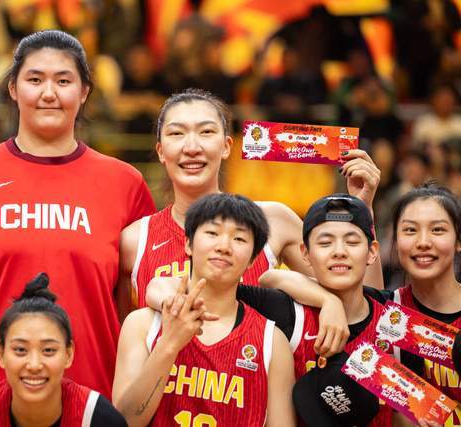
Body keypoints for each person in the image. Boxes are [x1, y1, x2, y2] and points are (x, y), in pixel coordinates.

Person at [0, 29, 155, 406]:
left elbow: (133, 304)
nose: (48, 93)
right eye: (35, 80)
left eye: (63, 81)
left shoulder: (125, 183)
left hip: (92, 398)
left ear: (84, 92)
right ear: (13, 88)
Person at [119, 88, 382, 312]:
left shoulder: (273, 220)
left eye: (206, 132)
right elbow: (121, 336)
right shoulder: (134, 240)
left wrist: (362, 212)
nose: (192, 147)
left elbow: (365, 308)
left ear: (226, 146)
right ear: (160, 150)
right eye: (177, 133)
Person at [113, 193, 296, 427]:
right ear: (188, 244)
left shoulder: (272, 343)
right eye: (212, 233)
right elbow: (124, 421)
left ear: (253, 259)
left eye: (239, 238)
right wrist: (169, 345)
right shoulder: (143, 324)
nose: (224, 246)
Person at [0, 273, 126, 426]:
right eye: (20, 350)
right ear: (1, 353)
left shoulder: (101, 419)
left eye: (48, 350)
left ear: (69, 354)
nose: (34, 365)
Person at [363, 184, 461, 426]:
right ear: (395, 241)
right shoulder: (387, 312)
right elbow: (279, 280)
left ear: (458, 240)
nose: (423, 242)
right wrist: (329, 304)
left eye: (437, 229)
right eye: (410, 230)